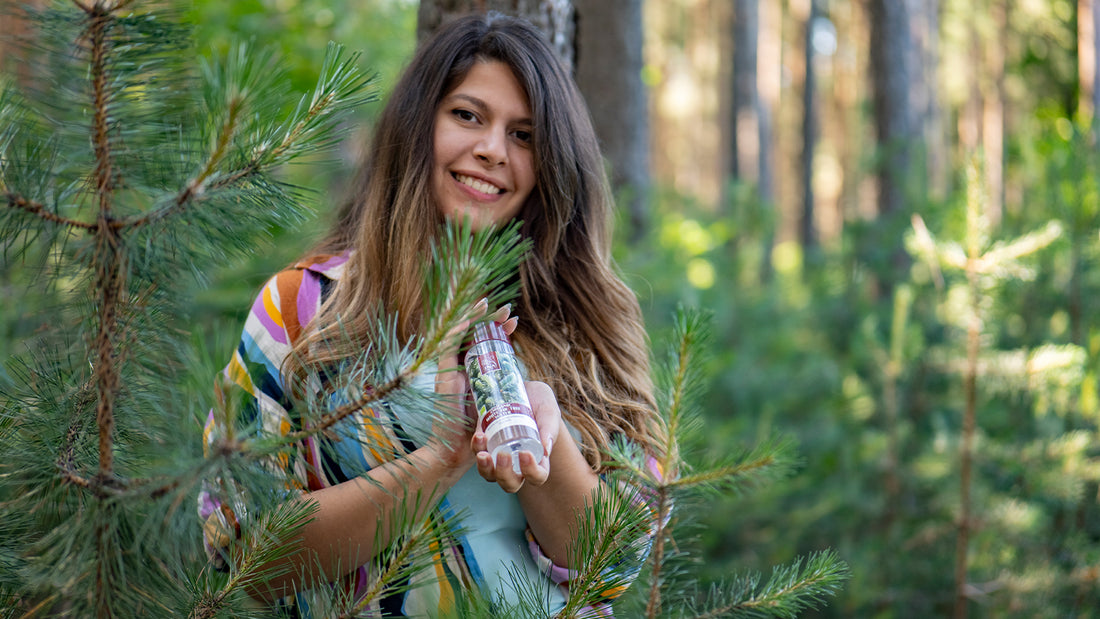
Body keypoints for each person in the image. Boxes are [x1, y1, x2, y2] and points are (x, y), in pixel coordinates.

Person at [199, 11, 662, 617]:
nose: (492, 150)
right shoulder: (305, 308)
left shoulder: (587, 324)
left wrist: (548, 455)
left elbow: (618, 567)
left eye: (524, 135)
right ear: (418, 127)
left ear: (552, 162)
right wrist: (435, 463)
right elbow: (242, 552)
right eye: (467, 115)